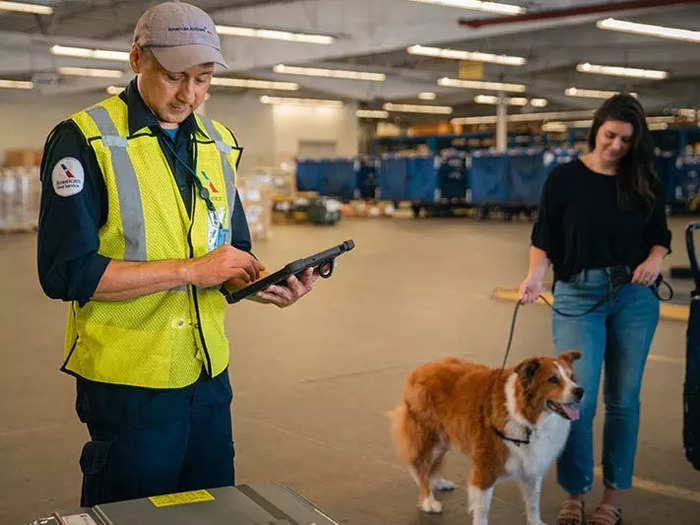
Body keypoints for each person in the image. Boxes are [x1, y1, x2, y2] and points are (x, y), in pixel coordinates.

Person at [37, 1, 325, 507]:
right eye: (173, 76)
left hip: (208, 376)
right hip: (130, 383)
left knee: (211, 509)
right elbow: (66, 273)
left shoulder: (218, 142)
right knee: (130, 511)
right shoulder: (85, 141)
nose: (189, 95)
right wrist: (191, 271)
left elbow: (230, 254)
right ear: (136, 59)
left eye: (203, 79)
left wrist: (263, 286)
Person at [518, 94, 671, 525]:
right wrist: (535, 275)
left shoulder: (643, 179)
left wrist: (655, 259)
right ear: (596, 129)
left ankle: (613, 497)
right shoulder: (564, 178)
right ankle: (575, 492)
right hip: (577, 296)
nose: (616, 146)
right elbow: (543, 236)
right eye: (610, 136)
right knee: (574, 401)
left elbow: (660, 234)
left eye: (626, 139)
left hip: (634, 296)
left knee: (623, 400)